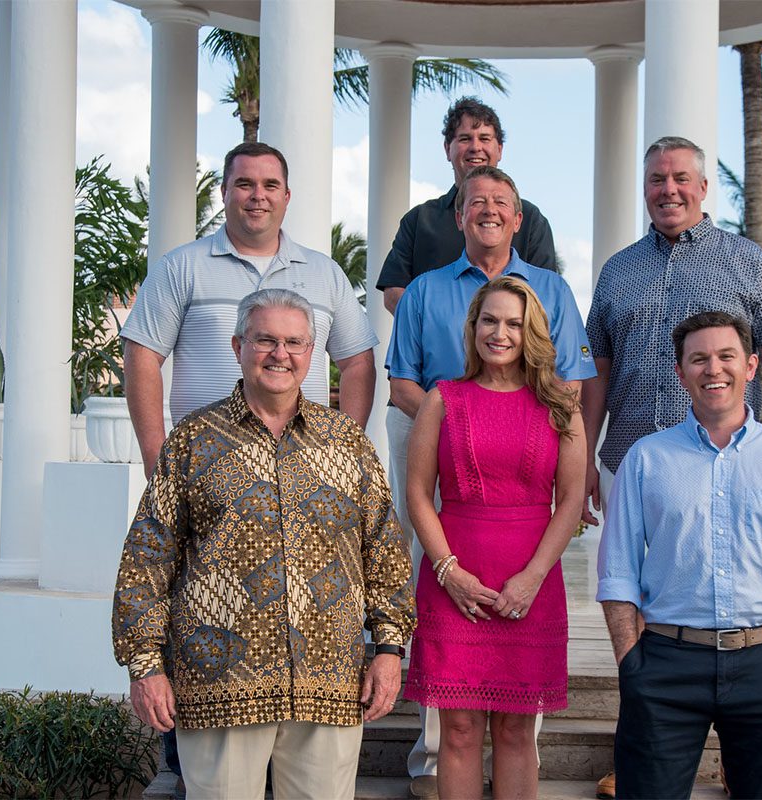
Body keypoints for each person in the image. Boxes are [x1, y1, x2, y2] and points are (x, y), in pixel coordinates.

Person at [112, 289, 415, 800]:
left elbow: (385, 555)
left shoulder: (348, 443)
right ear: (237, 347)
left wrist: (388, 650)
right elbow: (146, 559)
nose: (281, 353)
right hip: (218, 687)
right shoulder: (191, 441)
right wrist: (145, 666)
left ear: (313, 352)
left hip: (330, 678)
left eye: (295, 342)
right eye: (265, 339)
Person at [582, 135, 762, 798]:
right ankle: (648, 760)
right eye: (656, 179)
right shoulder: (618, 271)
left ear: (704, 188)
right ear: (645, 187)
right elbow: (597, 367)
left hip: (730, 464)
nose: (668, 189)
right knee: (641, 608)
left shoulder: (745, 260)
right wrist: (587, 455)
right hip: (634, 461)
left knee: (722, 600)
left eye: (681, 177)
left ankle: (746, 763)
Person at [386, 165, 594, 799]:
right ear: (472, 329)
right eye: (487, 322)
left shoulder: (561, 406)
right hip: (457, 577)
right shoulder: (444, 401)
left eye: (512, 323)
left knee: (514, 732)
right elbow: (420, 494)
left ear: (531, 329)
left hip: (530, 578)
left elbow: (570, 502)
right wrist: (449, 571)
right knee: (458, 730)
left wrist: (532, 576)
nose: (499, 332)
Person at [596, 311, 762, 800]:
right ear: (680, 371)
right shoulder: (645, 459)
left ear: (750, 367)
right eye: (699, 359)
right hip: (666, 664)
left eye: (727, 357)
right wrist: (631, 661)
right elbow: (617, 573)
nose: (714, 369)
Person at [122, 141, 377, 476]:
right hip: (205, 467)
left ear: (286, 197)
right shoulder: (180, 267)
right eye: (245, 184)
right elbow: (141, 356)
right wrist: (156, 459)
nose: (259, 195)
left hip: (304, 468)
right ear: (224, 191)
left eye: (271, 185)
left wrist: (342, 448)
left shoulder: (325, 273)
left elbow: (358, 362)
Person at [375, 96, 557, 316]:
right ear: (447, 149)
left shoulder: (530, 218)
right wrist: (440, 327)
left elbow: (545, 293)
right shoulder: (419, 220)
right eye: (464, 139)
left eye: (484, 138)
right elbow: (394, 291)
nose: (475, 147)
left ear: (499, 149)